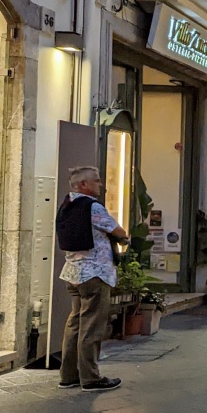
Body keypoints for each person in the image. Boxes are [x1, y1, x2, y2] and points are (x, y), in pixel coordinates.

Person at [55, 166, 128, 392]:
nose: (101, 184)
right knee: (92, 326)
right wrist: (123, 237)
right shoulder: (92, 207)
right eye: (96, 181)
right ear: (84, 185)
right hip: (94, 274)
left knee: (75, 324)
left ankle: (68, 375)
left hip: (73, 272)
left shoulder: (67, 204)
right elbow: (119, 231)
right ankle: (91, 378)